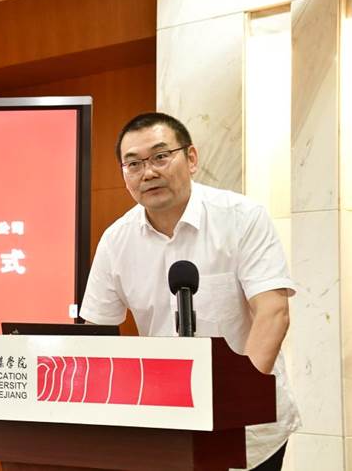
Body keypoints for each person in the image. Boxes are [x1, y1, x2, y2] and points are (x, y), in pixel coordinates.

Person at [80, 112, 300, 471]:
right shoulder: (116, 240)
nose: (148, 173)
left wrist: (235, 402)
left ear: (191, 158)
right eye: (133, 164)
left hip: (249, 427)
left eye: (160, 157)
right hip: (166, 426)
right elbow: (96, 333)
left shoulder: (242, 217)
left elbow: (273, 312)